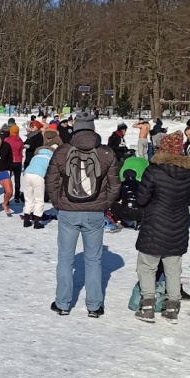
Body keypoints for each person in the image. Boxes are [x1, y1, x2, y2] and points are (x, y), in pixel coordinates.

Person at [45, 114, 121, 317]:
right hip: (95, 213)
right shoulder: (106, 152)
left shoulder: (62, 151)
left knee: (65, 259)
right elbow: (115, 184)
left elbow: (51, 180)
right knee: (94, 260)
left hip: (68, 211)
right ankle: (94, 306)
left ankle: (62, 303)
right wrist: (105, 204)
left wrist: (58, 203)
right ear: (93, 128)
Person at [133, 130, 190, 324]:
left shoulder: (153, 170)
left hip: (154, 224)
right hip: (178, 224)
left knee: (147, 266)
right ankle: (172, 308)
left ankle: (147, 306)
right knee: (173, 268)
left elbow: (142, 198)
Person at [21, 132, 59, 228]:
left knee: (29, 199)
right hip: (38, 177)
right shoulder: (51, 158)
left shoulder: (36, 156)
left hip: (26, 175)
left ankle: (26, 221)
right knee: (39, 199)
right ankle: (37, 223)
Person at [4, 122, 25, 203]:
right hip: (18, 162)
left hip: (9, 162)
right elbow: (21, 152)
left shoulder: (7, 140)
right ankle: (16, 197)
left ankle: (7, 197)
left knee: (7, 180)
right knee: (17, 180)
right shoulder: (20, 140)